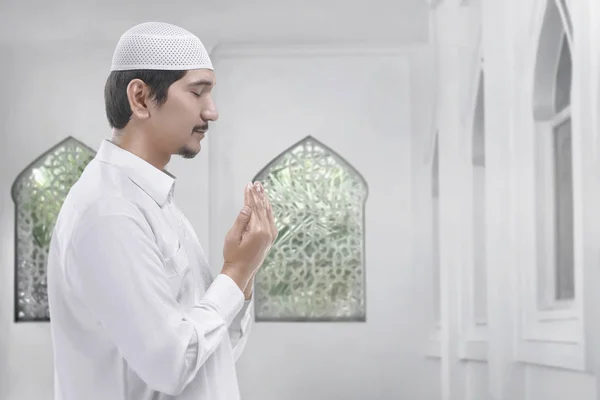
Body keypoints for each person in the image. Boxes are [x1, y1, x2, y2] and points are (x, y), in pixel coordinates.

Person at [46, 21, 277, 400]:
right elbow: (169, 365)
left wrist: (243, 275)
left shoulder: (150, 200)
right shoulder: (109, 212)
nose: (212, 111)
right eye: (197, 92)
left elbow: (209, 358)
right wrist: (235, 272)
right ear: (140, 98)